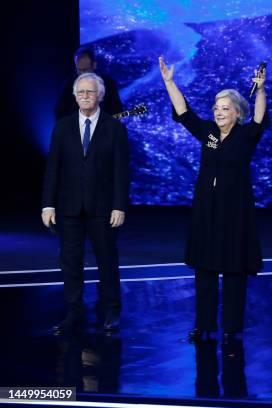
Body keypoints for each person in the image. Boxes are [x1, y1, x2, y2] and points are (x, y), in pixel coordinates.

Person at [159, 56, 268, 343]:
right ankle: (204, 325)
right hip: (206, 211)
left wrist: (259, 90)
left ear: (236, 113)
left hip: (235, 213)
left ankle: (231, 327)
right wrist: (170, 82)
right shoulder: (208, 133)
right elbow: (184, 112)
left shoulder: (246, 135)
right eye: (216, 108)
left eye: (225, 108)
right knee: (204, 269)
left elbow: (259, 116)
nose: (218, 112)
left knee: (233, 271)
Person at [42, 72, 130, 335]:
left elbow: (121, 171)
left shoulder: (114, 128)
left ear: (100, 95)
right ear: (74, 96)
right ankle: (74, 313)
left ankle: (111, 311)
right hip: (68, 207)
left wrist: (119, 205)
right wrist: (48, 205)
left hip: (103, 208)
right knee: (70, 262)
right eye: (80, 93)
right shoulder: (62, 127)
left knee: (107, 260)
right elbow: (52, 168)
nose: (85, 97)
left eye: (90, 92)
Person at [54, 47, 124, 121]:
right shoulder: (69, 84)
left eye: (85, 70)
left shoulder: (108, 83)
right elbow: (60, 111)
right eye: (79, 70)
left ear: (94, 65)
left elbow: (117, 110)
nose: (82, 74)